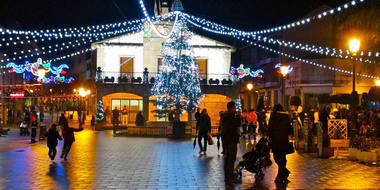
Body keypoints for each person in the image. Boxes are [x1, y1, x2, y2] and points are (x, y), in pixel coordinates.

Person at [268, 104, 292, 183]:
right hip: (284, 140)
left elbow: (270, 128)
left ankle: (282, 174)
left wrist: (269, 136)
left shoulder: (273, 116)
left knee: (277, 157)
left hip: (275, 140)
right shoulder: (286, 117)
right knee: (282, 157)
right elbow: (289, 129)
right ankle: (283, 173)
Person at [221, 101, 241, 185]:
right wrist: (238, 116)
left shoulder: (224, 116)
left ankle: (227, 177)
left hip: (225, 140)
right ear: (232, 108)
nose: (235, 109)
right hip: (232, 140)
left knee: (227, 158)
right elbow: (238, 124)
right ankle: (230, 178)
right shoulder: (232, 116)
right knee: (231, 159)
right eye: (235, 107)